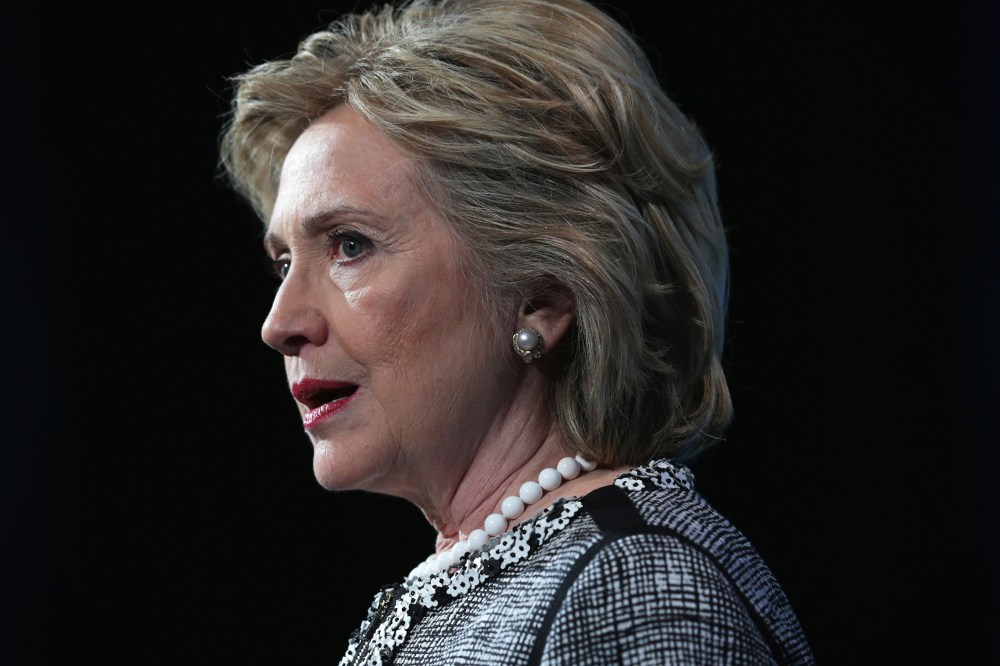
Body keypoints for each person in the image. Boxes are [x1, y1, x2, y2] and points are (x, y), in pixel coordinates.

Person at [219, 0, 814, 663]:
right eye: (282, 263)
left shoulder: (634, 586)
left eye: (350, 245)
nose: (279, 324)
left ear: (542, 298)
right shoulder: (532, 567)